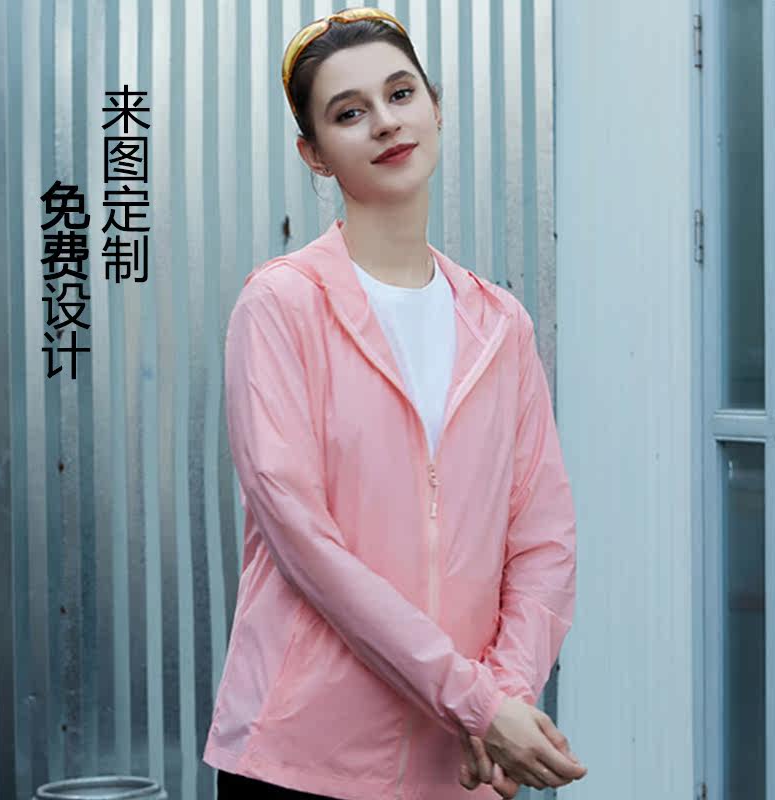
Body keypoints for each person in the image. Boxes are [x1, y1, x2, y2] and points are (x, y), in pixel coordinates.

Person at [203, 8, 587, 800]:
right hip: (304, 761)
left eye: (401, 93)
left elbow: (543, 538)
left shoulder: (499, 324)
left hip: (464, 762)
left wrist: (504, 698)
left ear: (435, 107)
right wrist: (478, 703)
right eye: (349, 113)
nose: (385, 122)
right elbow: (306, 543)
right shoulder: (282, 306)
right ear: (314, 153)